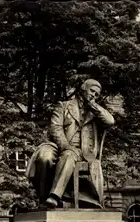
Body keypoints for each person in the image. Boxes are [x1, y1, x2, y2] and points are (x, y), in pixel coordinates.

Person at [26, 79, 115, 208]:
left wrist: (93, 105)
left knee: (69, 155)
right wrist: (65, 146)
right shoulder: (63, 106)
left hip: (81, 151)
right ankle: (43, 196)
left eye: (96, 95)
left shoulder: (95, 112)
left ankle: (54, 197)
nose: (93, 95)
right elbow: (55, 129)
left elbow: (110, 121)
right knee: (44, 156)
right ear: (83, 89)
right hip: (57, 145)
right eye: (92, 91)